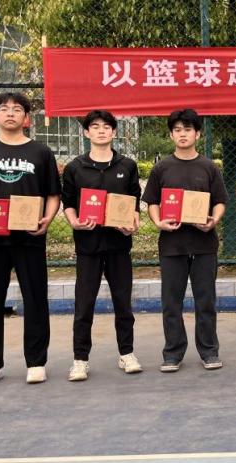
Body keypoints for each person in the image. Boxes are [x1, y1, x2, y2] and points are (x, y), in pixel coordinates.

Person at [0, 92, 61, 387]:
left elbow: (53, 195)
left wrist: (47, 219)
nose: (10, 113)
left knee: (36, 300)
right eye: (4, 109)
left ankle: (36, 362)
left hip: (29, 238)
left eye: (17, 109)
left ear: (26, 117)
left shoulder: (41, 152)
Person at [141, 109, 228, 373]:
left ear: (198, 134)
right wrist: (158, 222)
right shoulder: (162, 168)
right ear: (171, 135)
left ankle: (209, 351)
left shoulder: (209, 167)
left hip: (204, 244)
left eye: (188, 129)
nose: (182, 134)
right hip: (172, 245)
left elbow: (220, 201)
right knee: (171, 302)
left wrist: (213, 220)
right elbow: (152, 202)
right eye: (177, 130)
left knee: (206, 301)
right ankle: (173, 353)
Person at [61, 110, 143, 381]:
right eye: (95, 127)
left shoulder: (127, 165)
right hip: (88, 246)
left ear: (114, 132)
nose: (101, 131)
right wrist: (74, 222)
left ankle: (127, 353)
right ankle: (80, 359)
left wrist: (132, 223)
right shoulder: (75, 167)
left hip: (119, 245)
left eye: (106, 127)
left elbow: (134, 202)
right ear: (87, 132)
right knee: (84, 305)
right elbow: (68, 203)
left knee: (123, 303)